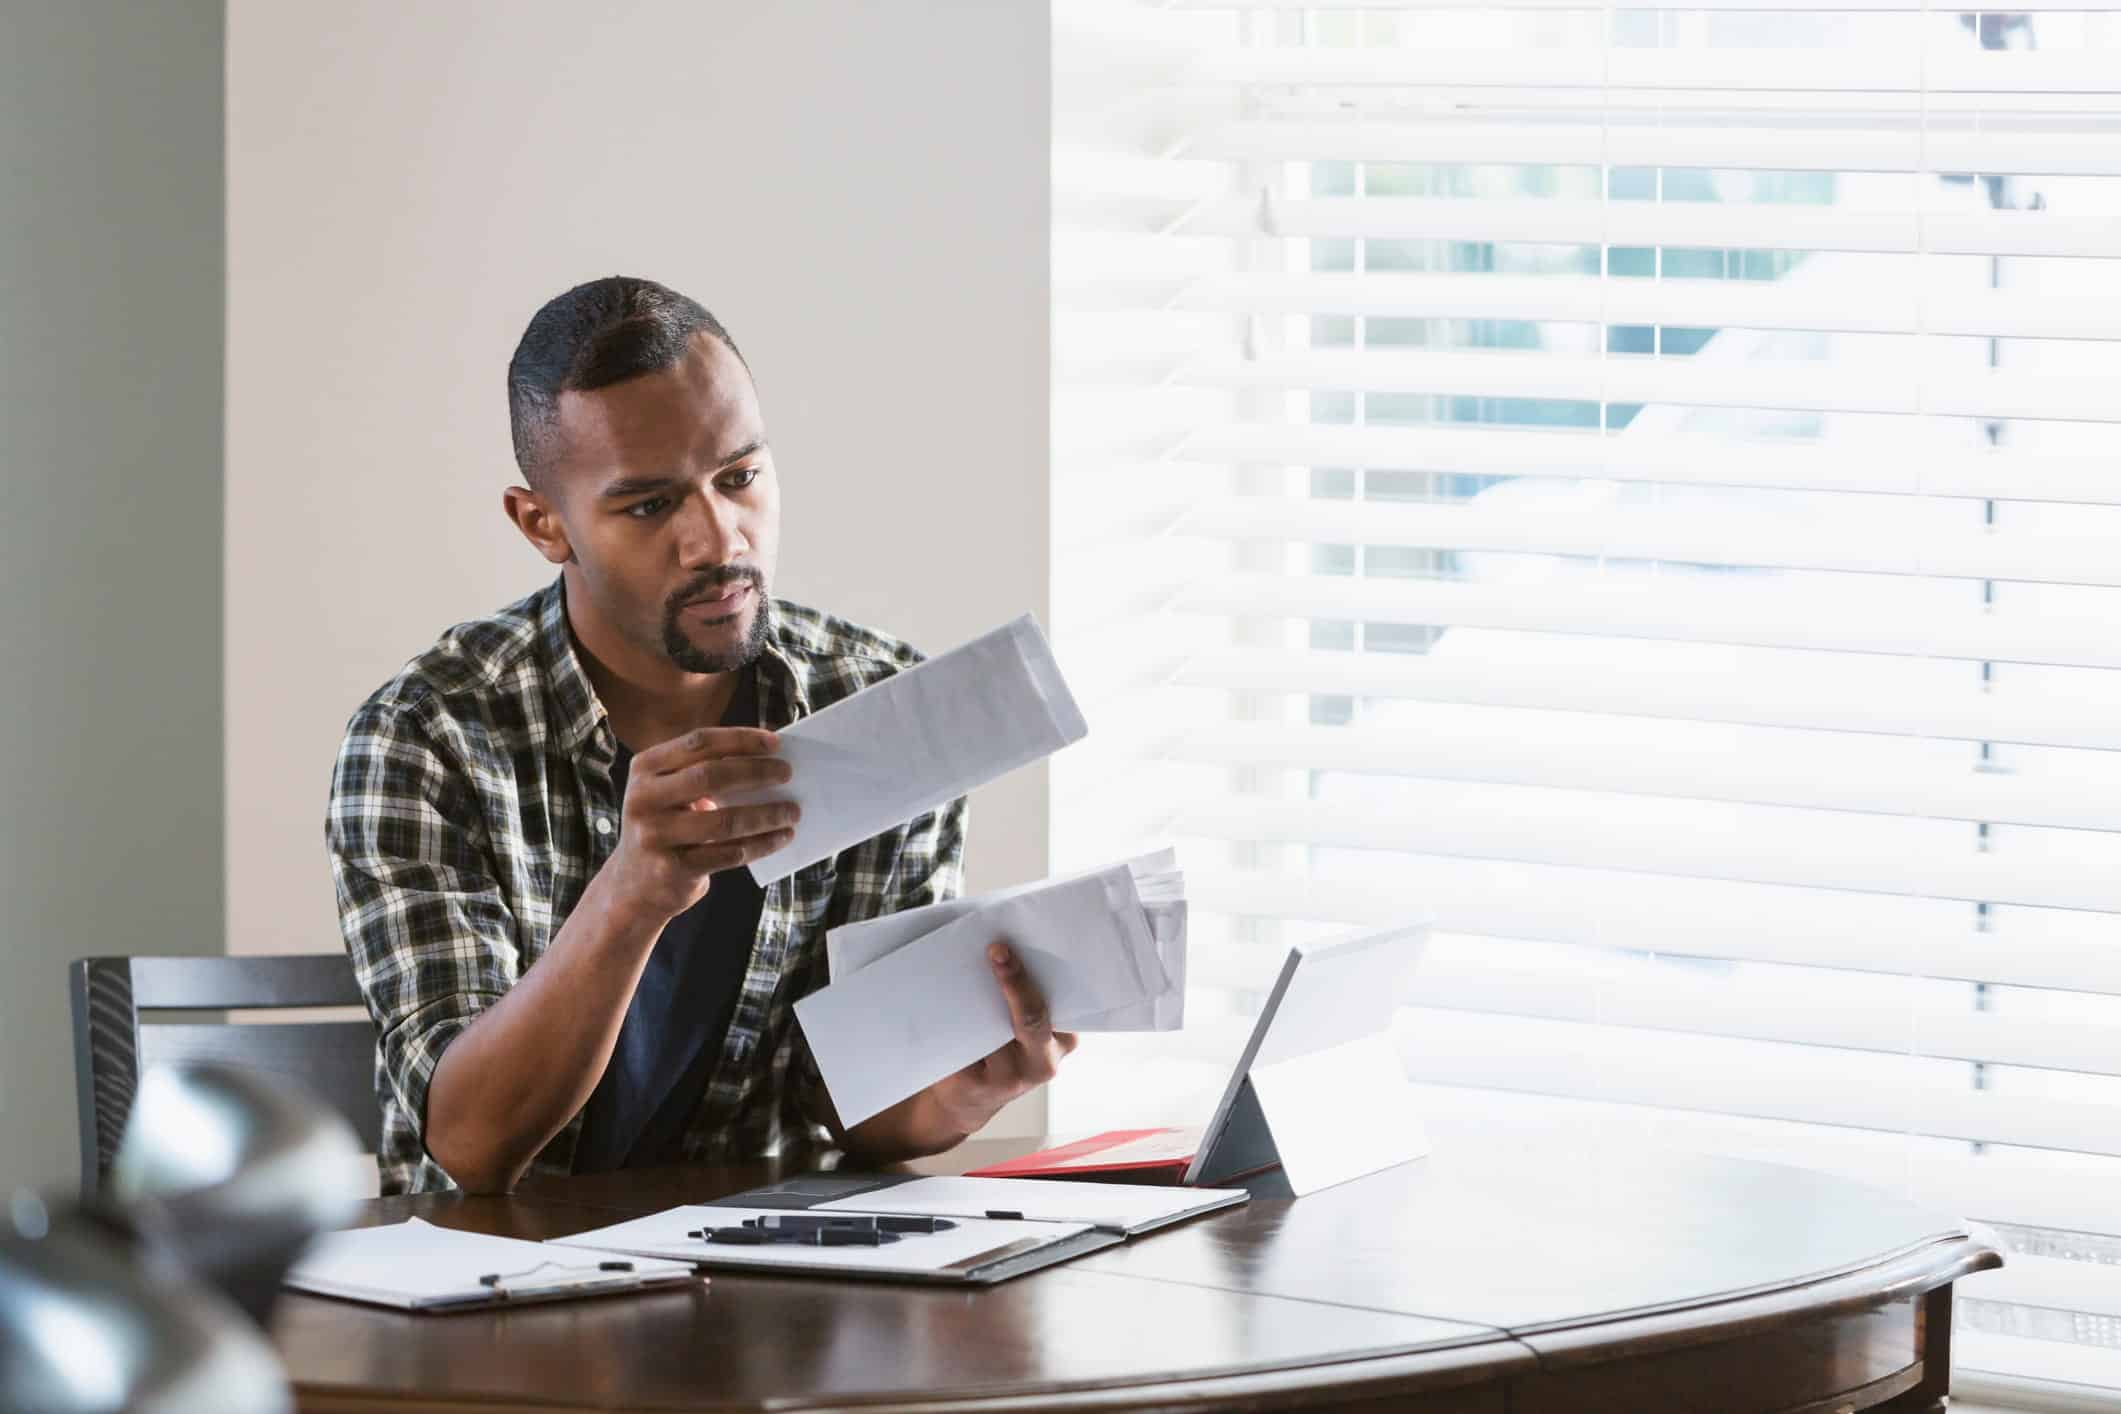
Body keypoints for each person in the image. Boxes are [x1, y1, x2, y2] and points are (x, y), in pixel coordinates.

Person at [326, 276, 1073, 1195]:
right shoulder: (426, 738)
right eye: (648, 506)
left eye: (739, 478)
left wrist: (961, 1091)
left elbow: (850, 1108)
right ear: (542, 523)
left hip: (773, 1283)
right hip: (496, 1288)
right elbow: (473, 1148)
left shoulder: (872, 699)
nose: (717, 540)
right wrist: (634, 893)